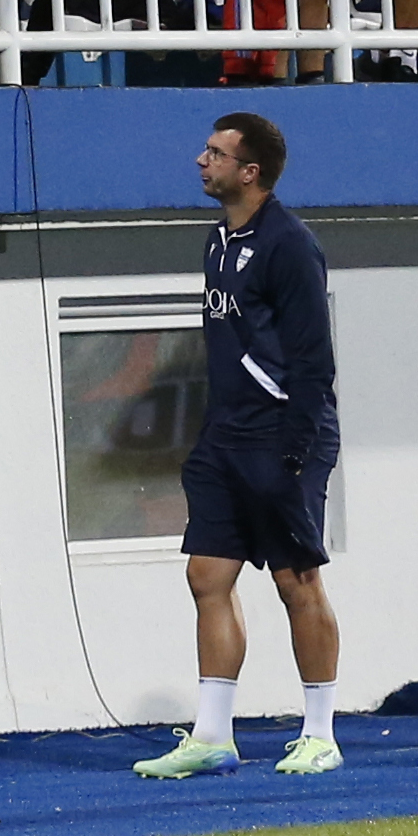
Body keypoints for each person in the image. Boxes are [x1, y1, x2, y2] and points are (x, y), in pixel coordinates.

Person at [134, 109, 345, 782]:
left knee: (295, 579)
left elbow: (313, 360)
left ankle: (319, 733)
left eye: (214, 152)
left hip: (283, 432)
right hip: (225, 433)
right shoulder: (216, 242)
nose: (201, 160)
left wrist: (296, 446)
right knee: (206, 574)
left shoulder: (290, 244)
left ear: (248, 170)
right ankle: (212, 735)